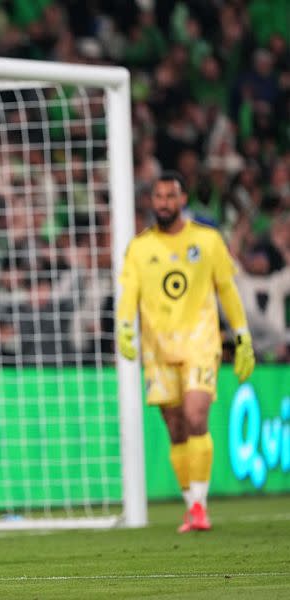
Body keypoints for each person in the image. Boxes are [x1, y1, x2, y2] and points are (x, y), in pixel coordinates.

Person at [116, 171, 255, 533]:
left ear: (182, 200)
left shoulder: (207, 241)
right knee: (175, 427)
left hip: (200, 342)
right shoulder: (139, 247)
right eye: (158, 197)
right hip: (158, 349)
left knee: (196, 416)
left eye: (170, 196)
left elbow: (226, 289)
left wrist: (241, 337)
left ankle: (200, 507)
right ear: (152, 202)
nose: (163, 203)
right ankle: (191, 503)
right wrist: (125, 327)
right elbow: (128, 293)